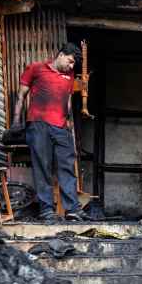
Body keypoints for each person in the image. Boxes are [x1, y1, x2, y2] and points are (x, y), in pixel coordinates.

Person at [13, 42, 88, 222]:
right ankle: (46, 210)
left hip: (60, 127)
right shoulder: (36, 68)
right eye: (69, 62)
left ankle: (72, 210)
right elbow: (21, 95)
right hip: (39, 125)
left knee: (67, 167)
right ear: (61, 55)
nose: (71, 67)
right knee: (42, 167)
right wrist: (16, 121)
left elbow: (68, 101)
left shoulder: (69, 76)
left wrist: (68, 123)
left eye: (73, 65)